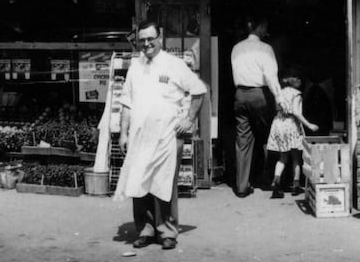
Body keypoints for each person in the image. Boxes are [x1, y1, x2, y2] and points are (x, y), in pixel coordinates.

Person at [113, 21, 207, 251]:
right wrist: (123, 133)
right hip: (139, 137)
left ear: (160, 37)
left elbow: (199, 90)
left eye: (150, 38)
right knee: (139, 182)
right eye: (142, 40)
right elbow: (127, 101)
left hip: (167, 135)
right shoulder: (135, 66)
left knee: (165, 184)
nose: (146, 44)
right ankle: (145, 230)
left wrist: (189, 119)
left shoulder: (174, 64)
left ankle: (167, 231)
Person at [230, 14, 288, 197]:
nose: (266, 30)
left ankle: (241, 186)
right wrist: (280, 97)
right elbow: (271, 76)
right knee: (269, 136)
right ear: (257, 27)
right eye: (264, 26)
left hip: (240, 95)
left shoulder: (237, 48)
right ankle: (269, 177)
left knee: (243, 140)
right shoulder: (265, 49)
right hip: (260, 95)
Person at [266, 68, 319, 198]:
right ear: (295, 80)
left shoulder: (279, 93)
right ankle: (296, 185)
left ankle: (276, 181)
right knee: (296, 157)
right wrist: (309, 125)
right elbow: (296, 112)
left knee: (282, 157)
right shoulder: (297, 94)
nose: (301, 81)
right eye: (299, 79)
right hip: (291, 125)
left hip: (278, 124)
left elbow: (277, 108)